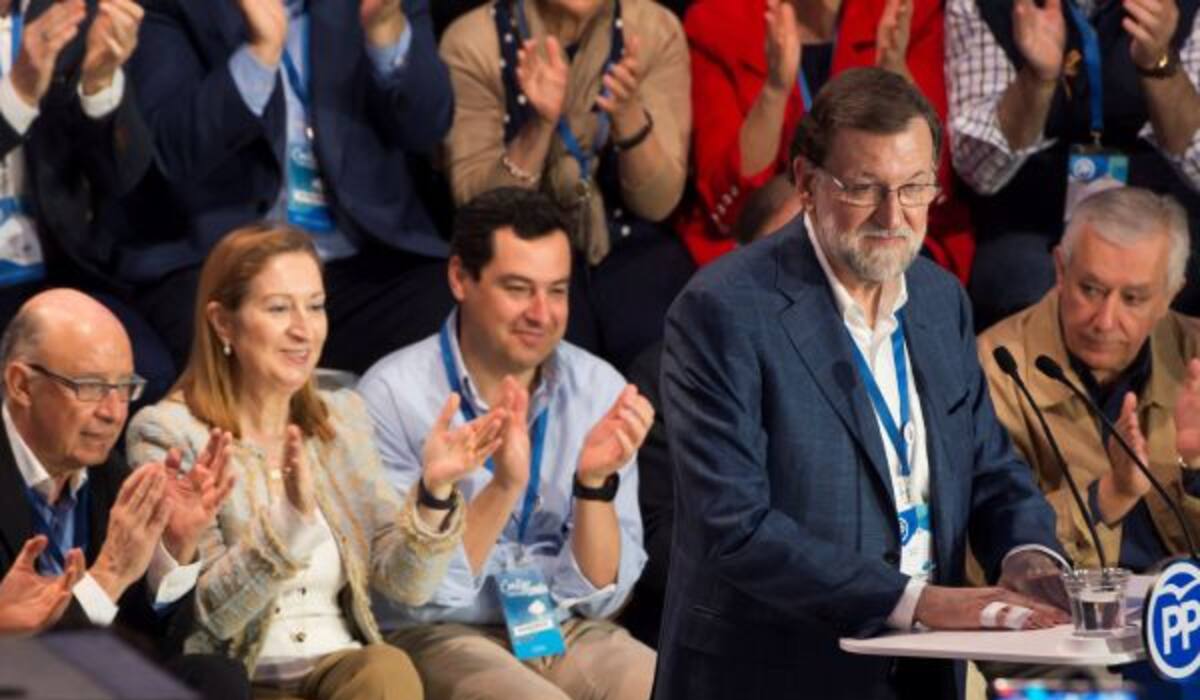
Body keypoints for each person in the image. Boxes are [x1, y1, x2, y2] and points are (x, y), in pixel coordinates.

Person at [647, 67, 1069, 700]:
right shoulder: (724, 311)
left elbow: (988, 466)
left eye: (915, 188)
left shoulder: (941, 302)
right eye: (865, 188)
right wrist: (918, 599)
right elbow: (736, 527)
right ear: (806, 182)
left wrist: (1028, 553)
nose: (893, 217)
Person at [127, 222, 503, 700]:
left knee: (386, 668)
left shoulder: (342, 418)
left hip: (348, 683)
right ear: (223, 321)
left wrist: (435, 491)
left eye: (316, 305)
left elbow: (406, 585)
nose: (306, 329)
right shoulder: (168, 432)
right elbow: (203, 623)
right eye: (279, 308)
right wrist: (290, 528)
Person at [358, 187, 680, 700]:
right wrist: (502, 485)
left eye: (557, 292)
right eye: (517, 289)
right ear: (460, 280)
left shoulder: (596, 385)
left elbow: (606, 589)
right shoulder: (392, 395)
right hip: (437, 638)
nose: (543, 314)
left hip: (563, 629)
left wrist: (594, 484)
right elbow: (408, 594)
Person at [0, 288, 277, 700]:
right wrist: (107, 578)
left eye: (124, 387)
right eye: (91, 386)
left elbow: (148, 641)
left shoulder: (106, 473)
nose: (112, 410)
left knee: (213, 679)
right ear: (21, 384)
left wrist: (171, 555)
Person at [978, 185, 1195, 700]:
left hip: (1175, 640)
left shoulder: (1195, 360)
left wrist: (1195, 472)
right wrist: (1107, 501)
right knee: (1139, 663)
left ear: (1171, 295)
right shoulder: (996, 368)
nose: (1106, 319)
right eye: (1091, 289)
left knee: (1161, 648)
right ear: (1058, 269)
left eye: (1134, 298)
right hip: (1048, 650)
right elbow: (989, 554)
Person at [123, 0, 456, 375]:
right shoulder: (177, 8)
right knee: (211, 334)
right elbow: (174, 147)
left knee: (454, 305)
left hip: (354, 260)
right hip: (224, 262)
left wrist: (386, 33)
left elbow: (427, 127)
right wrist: (258, 56)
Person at [438, 0, 694, 371]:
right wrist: (539, 127)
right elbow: (478, 210)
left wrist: (628, 113)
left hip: (626, 242)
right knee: (553, 362)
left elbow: (658, 201)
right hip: (522, 251)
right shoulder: (474, 42)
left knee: (669, 353)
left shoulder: (652, 30)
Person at [676, 0, 976, 282]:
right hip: (769, 238)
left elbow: (931, 183)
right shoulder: (719, 19)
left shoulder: (904, 9)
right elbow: (729, 208)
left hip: (890, 226)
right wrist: (774, 92)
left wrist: (894, 75)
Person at [946, 0, 1200, 328]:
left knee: (1184, 280)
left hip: (1158, 202)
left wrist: (1159, 64)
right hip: (1034, 211)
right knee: (1015, 284)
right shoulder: (983, 5)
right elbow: (978, 172)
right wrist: (1036, 80)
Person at [0, 0, 175, 403]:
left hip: (58, 272)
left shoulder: (68, 15)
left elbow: (122, 174)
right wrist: (18, 92)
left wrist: (99, 83)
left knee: (148, 375)